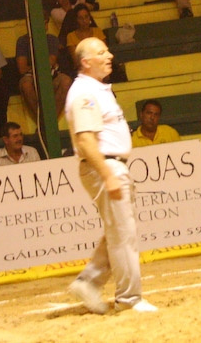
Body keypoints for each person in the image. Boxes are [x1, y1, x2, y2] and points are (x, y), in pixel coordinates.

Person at [66, 37, 156, 314]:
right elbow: (85, 140)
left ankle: (89, 281)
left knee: (118, 231)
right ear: (86, 62)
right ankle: (129, 299)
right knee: (123, 235)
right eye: (102, 52)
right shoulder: (84, 92)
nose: (110, 56)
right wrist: (108, 174)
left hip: (111, 164)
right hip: (103, 165)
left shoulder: (96, 88)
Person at [16, 27, 72, 116]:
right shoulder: (23, 41)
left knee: (66, 81)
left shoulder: (52, 39)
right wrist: (41, 65)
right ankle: (42, 118)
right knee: (26, 85)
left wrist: (35, 65)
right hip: (31, 76)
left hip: (51, 75)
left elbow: (51, 61)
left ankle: (53, 118)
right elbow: (22, 68)